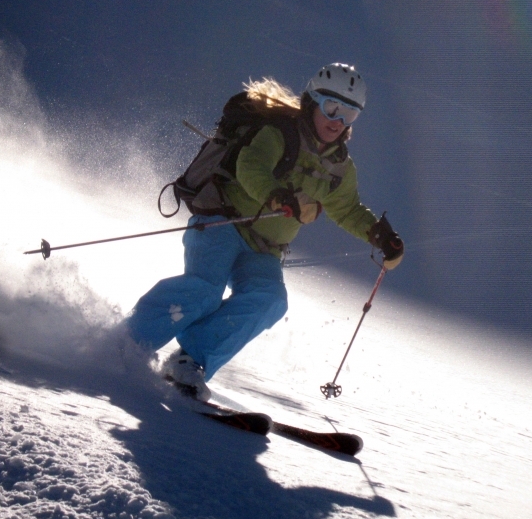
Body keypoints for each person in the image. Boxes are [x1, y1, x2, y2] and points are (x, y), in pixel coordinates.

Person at [126, 63, 404, 400]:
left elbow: (347, 209)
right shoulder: (279, 133)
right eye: (332, 108)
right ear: (312, 101)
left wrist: (378, 235)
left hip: (265, 249)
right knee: (204, 291)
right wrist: (277, 196)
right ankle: (127, 343)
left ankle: (189, 361)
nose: (338, 121)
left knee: (269, 300)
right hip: (223, 221)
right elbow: (250, 166)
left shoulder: (340, 168)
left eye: (350, 114)